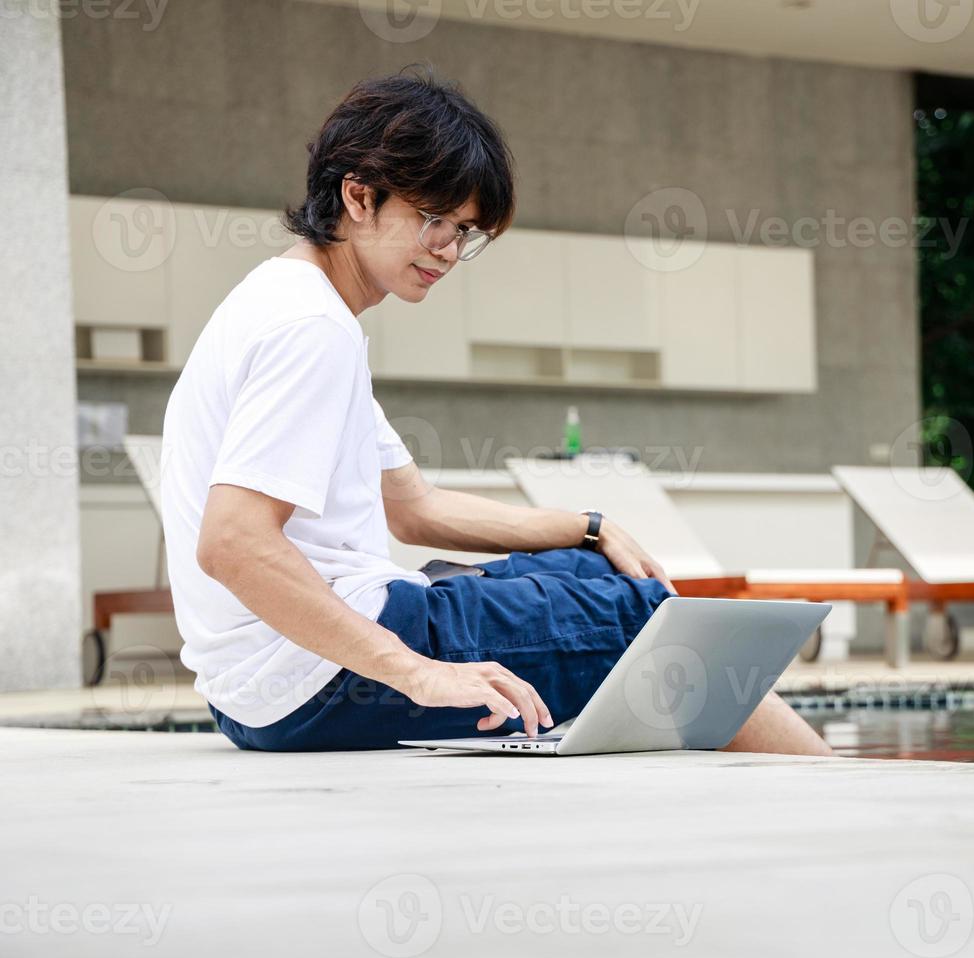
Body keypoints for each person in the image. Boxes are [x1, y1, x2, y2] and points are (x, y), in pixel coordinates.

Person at [158, 68, 831, 755]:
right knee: (645, 618)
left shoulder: (288, 302)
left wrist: (587, 528)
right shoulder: (311, 329)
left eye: (464, 232)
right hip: (313, 681)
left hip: (267, 688)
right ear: (358, 195)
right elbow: (233, 542)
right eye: (434, 222)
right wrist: (420, 674)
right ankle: (831, 789)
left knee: (598, 575)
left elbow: (414, 509)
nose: (449, 252)